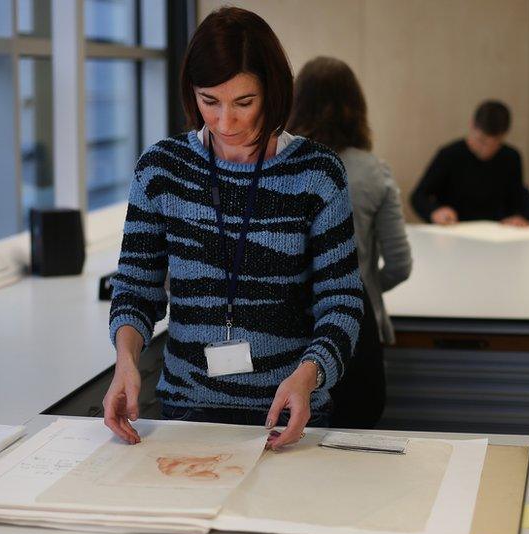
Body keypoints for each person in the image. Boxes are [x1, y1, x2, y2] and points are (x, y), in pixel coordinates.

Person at [102, 7, 363, 450]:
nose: (225, 123)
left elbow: (341, 303)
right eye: (210, 102)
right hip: (187, 412)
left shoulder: (317, 174)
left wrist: (309, 375)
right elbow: (136, 288)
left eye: (244, 102)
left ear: (273, 91)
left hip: (289, 413)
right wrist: (125, 359)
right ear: (192, 93)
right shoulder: (162, 170)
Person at [289, 56, 412, 428]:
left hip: (292, 335)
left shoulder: (283, 166)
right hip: (357, 335)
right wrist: (365, 288)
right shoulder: (374, 171)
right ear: (356, 108)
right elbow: (399, 264)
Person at [410, 100, 529, 226]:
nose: (486, 149)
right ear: (472, 125)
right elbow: (418, 196)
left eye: (495, 144)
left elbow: (518, 199)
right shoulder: (450, 154)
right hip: (455, 231)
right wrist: (435, 212)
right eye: (481, 141)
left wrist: (520, 218)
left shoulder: (511, 157)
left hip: (497, 234)